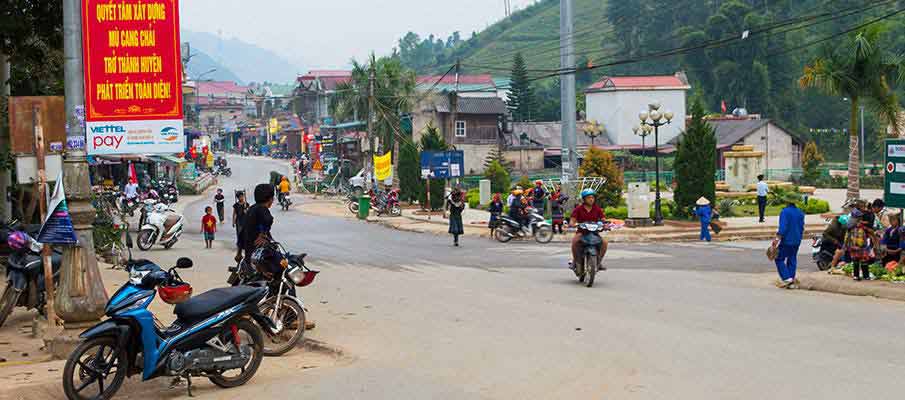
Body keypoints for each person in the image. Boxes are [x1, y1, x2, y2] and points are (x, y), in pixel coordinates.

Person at [570, 189, 607, 270]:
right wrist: (572, 224)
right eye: (588, 197)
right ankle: (575, 261)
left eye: (592, 197)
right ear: (584, 199)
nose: (591, 199)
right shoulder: (578, 209)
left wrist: (605, 224)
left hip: (594, 233)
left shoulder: (597, 209)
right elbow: (572, 220)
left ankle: (598, 261)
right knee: (575, 242)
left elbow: (603, 219)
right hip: (582, 232)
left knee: (604, 243)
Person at [238, 184, 275, 265]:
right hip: (259, 255)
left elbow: (242, 232)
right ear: (270, 199)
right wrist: (263, 234)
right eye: (273, 198)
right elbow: (269, 220)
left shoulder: (251, 209)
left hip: (249, 253)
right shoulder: (262, 208)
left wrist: (239, 252)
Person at [775, 201, 805, 288]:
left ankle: (787, 278)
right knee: (792, 258)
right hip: (797, 239)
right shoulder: (800, 212)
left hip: (787, 240)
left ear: (787, 202)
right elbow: (802, 227)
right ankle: (791, 279)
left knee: (779, 258)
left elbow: (783, 227)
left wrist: (777, 238)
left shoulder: (785, 212)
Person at [845, 210, 874, 281]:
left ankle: (856, 276)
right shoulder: (855, 225)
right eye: (859, 217)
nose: (861, 218)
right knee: (863, 261)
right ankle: (865, 276)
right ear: (856, 217)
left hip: (854, 246)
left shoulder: (850, 225)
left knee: (856, 261)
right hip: (860, 246)